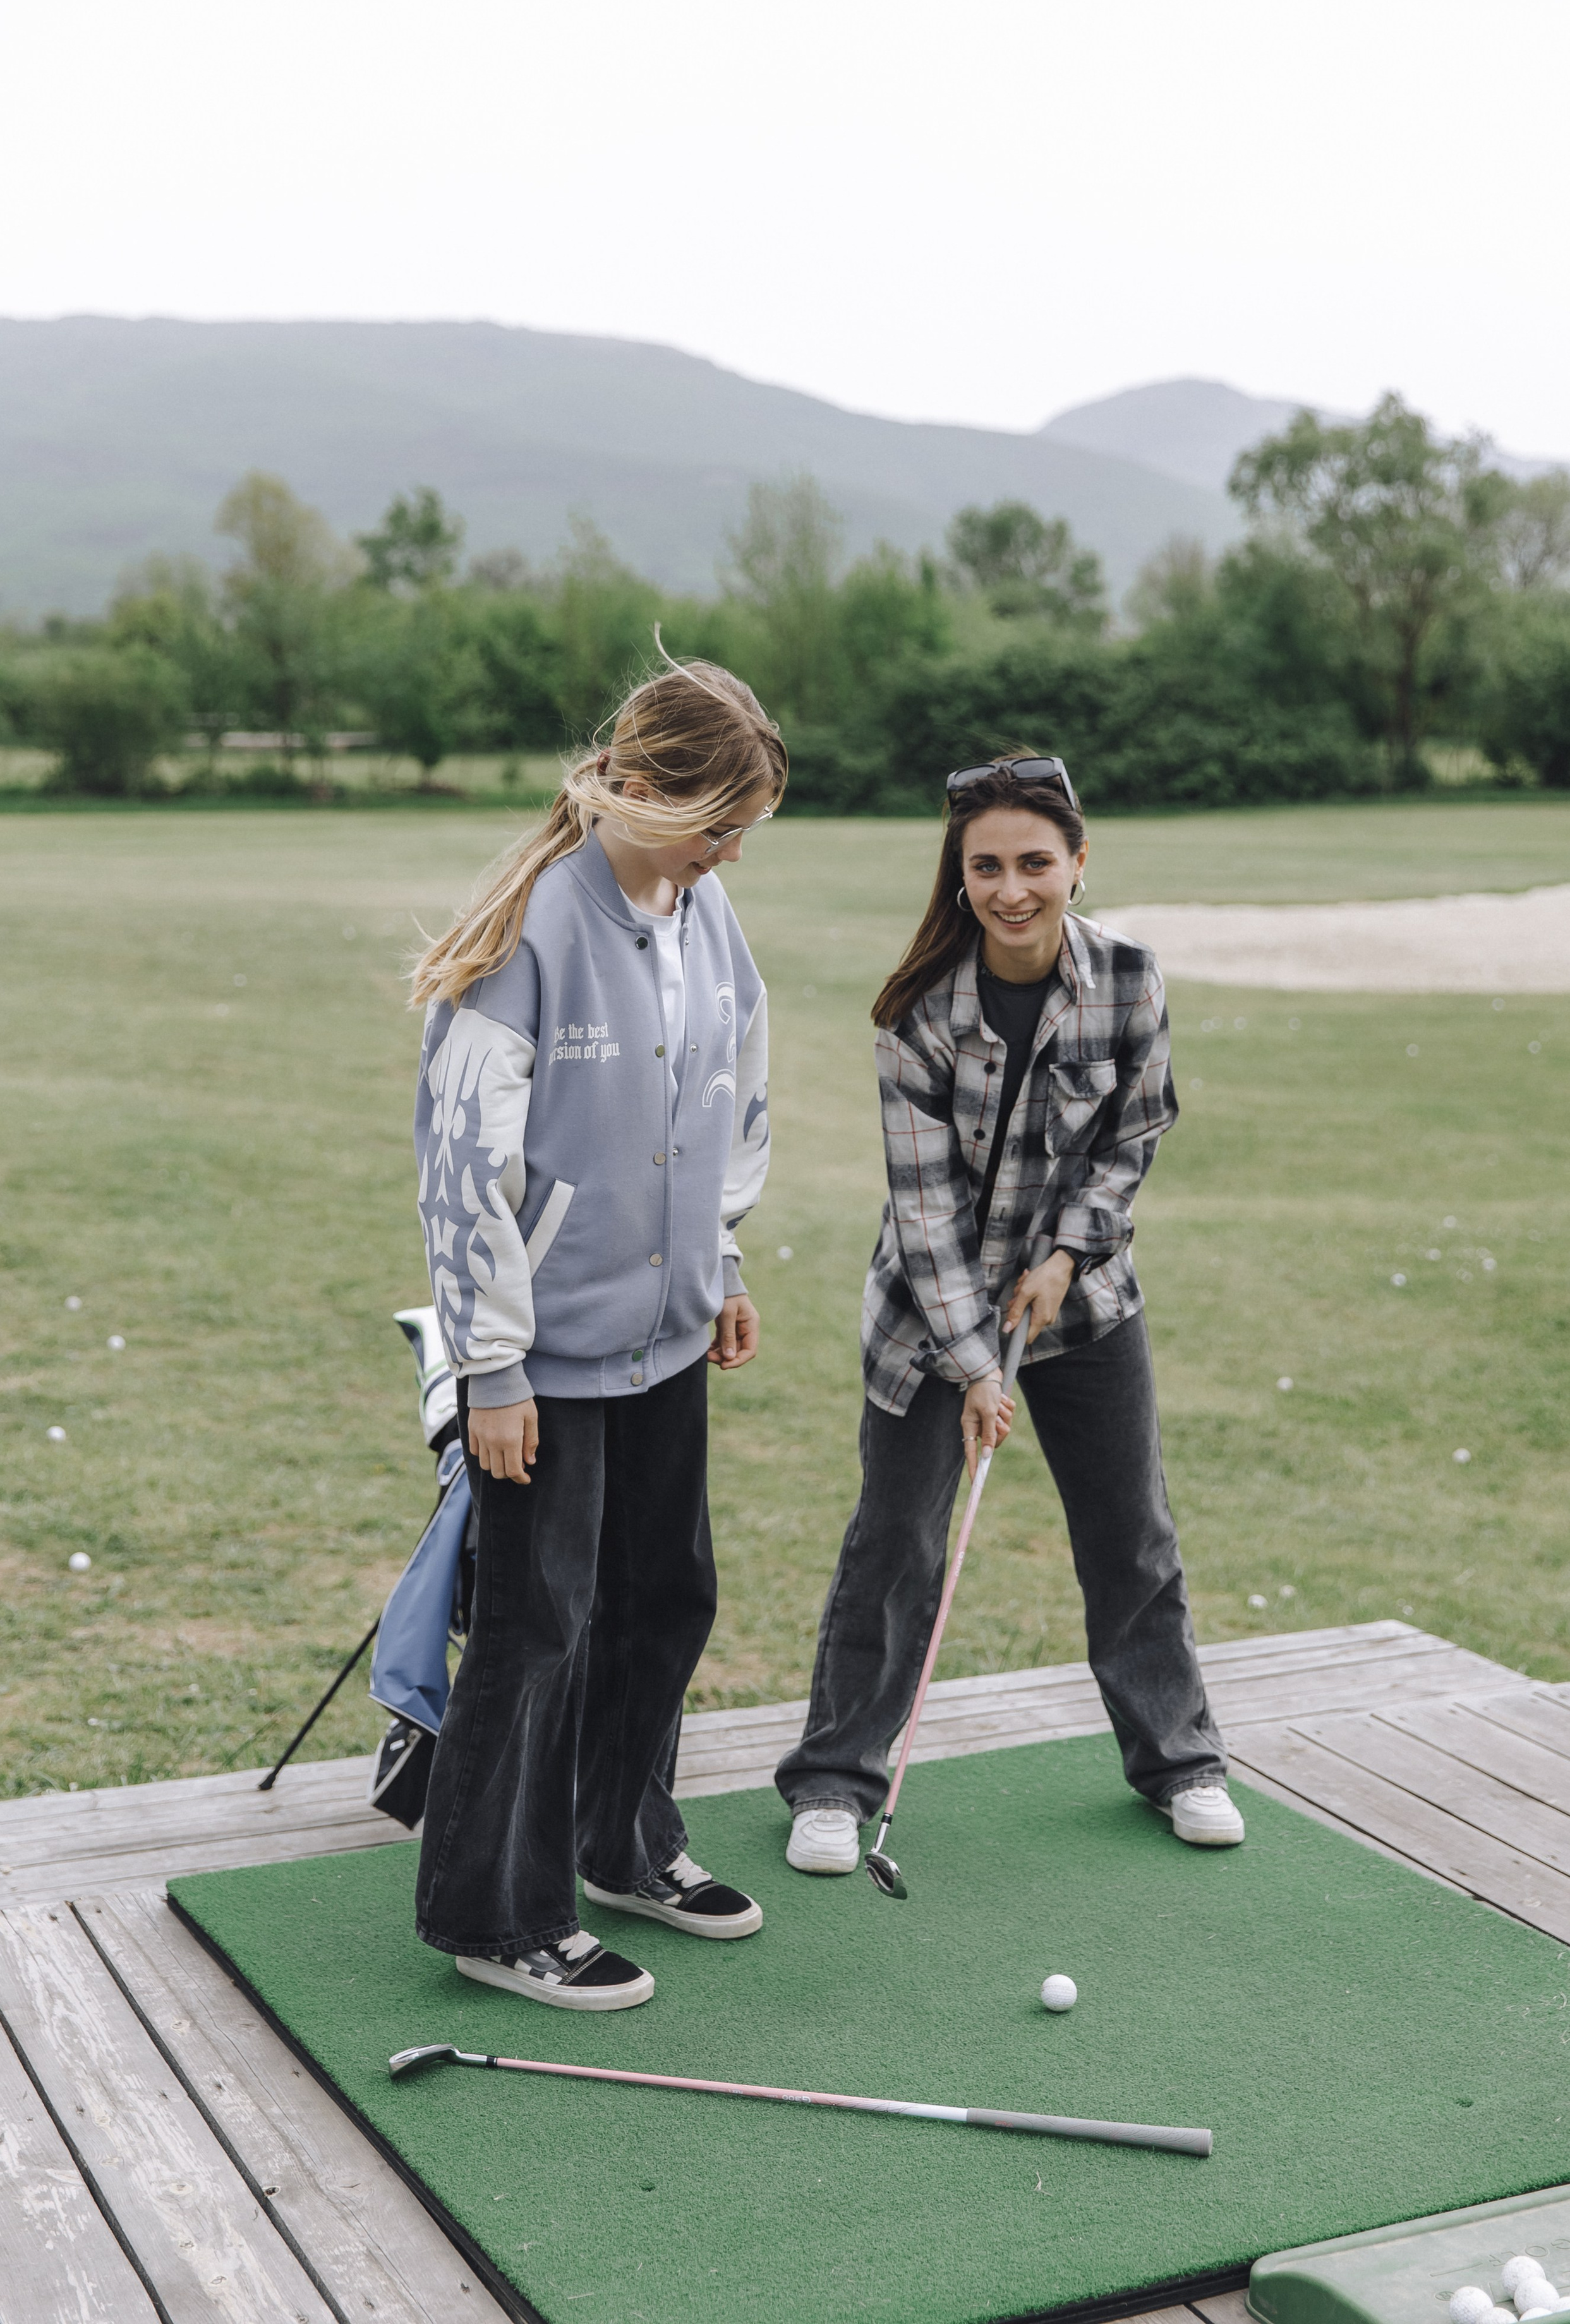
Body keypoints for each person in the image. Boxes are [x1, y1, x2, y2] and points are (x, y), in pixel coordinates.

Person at [775, 751, 1241, 1872]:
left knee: (1132, 1537)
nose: (1011, 888)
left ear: (1078, 862)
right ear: (961, 876)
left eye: (1035, 862)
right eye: (986, 867)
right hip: (930, 1319)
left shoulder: (1130, 978)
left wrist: (1071, 1254)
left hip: (1085, 1308)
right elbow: (923, 1213)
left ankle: (1180, 1762)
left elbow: (1136, 1135)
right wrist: (978, 1366)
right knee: (896, 1543)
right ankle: (835, 1782)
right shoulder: (916, 1013)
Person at [409, 654, 787, 2009]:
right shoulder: (531, 931)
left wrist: (722, 1259)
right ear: (643, 789)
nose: (731, 852)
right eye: (717, 823)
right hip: (543, 1365)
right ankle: (497, 1916)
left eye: (743, 830)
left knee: (665, 1596)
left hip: (669, 1336)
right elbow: (462, 1166)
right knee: (538, 1630)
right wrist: (492, 1366)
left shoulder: (705, 909)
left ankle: (623, 1846)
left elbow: (734, 1086)